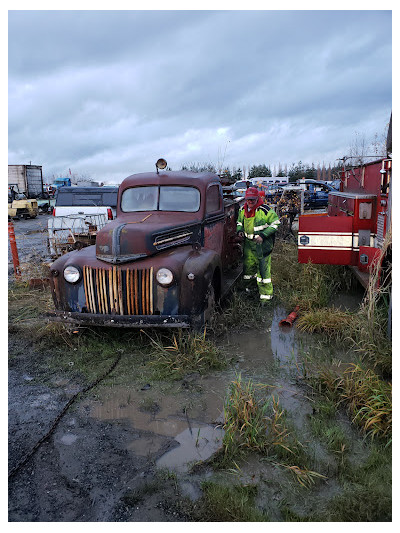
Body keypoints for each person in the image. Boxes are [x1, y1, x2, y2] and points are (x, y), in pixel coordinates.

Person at [236, 187, 280, 303]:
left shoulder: (265, 210)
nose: (250, 202)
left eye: (252, 199)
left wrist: (263, 235)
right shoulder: (242, 210)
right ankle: (250, 292)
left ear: (257, 198)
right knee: (249, 270)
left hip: (262, 246)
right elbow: (240, 222)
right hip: (248, 245)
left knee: (263, 272)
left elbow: (276, 223)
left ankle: (266, 299)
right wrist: (240, 229)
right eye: (248, 199)